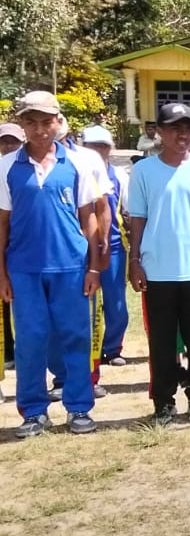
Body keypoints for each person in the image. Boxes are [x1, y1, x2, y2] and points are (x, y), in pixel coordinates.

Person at [0, 92, 105, 437]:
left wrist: (93, 267)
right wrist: (2, 272)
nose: (40, 129)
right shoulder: (6, 166)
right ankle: (33, 412)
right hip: (24, 268)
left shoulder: (79, 162)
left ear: (58, 122)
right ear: (23, 125)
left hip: (71, 266)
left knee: (74, 337)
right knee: (30, 339)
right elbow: (2, 223)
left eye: (47, 121)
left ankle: (79, 408)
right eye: (31, 122)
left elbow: (88, 218)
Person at [128, 102, 190, 425]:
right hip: (157, 271)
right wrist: (135, 260)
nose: (182, 134)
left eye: (188, 128)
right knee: (162, 343)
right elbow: (137, 219)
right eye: (174, 128)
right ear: (159, 131)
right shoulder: (144, 171)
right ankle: (164, 402)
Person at [80, 126, 131, 368]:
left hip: (114, 245)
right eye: (92, 145)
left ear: (110, 148)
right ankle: (89, 349)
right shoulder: (76, 170)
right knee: (85, 300)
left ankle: (113, 347)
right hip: (82, 247)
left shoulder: (120, 175)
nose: (98, 150)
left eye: (103, 145)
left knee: (116, 300)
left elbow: (129, 211)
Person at [0, 123, 23, 382]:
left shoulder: (17, 170)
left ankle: (18, 352)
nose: (8, 146)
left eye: (13, 141)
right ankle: (6, 351)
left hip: (18, 248)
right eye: (4, 142)